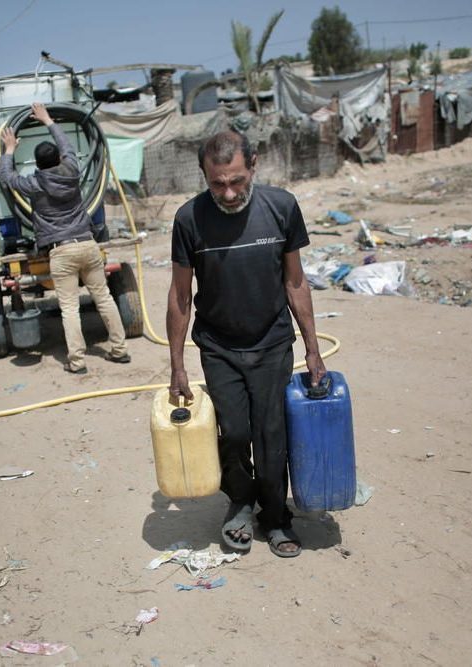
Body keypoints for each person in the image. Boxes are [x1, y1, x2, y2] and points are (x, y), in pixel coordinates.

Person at [166, 130, 326, 558]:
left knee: (270, 434)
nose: (230, 192)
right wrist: (177, 366)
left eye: (237, 180)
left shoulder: (281, 207)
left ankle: (275, 516)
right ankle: (239, 503)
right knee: (235, 433)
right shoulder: (189, 220)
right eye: (218, 183)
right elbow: (180, 295)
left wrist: (312, 349)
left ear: (253, 164)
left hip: (272, 341)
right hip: (219, 346)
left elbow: (295, 281)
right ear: (204, 175)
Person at [0, 102, 130, 374]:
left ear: (37, 165)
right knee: (103, 298)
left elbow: (7, 177)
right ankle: (120, 350)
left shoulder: (34, 184)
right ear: (59, 159)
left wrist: (9, 149)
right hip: (87, 244)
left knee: (70, 308)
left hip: (60, 251)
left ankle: (78, 363)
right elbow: (67, 145)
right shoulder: (72, 170)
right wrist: (48, 120)